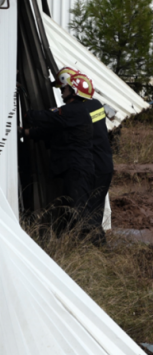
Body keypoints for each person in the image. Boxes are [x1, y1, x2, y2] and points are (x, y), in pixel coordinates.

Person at [23, 72, 95, 233]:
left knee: (80, 211)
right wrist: (27, 133)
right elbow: (52, 130)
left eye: (66, 87)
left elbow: (48, 117)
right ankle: (75, 245)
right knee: (71, 210)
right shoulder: (75, 112)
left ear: (74, 91)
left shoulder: (72, 111)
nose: (63, 89)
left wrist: (28, 114)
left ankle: (93, 245)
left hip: (77, 168)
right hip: (77, 168)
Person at [52, 68, 113, 245]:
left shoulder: (81, 110)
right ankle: (94, 251)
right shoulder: (94, 104)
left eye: (63, 88)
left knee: (89, 213)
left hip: (95, 166)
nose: (62, 93)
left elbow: (65, 127)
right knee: (94, 210)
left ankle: (98, 251)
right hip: (102, 164)